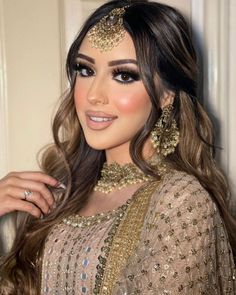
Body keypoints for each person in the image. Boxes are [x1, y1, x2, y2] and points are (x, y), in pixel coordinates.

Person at [0, 0, 235, 294]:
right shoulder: (62, 192)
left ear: (167, 94)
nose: (93, 95)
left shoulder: (180, 201)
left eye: (124, 75)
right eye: (85, 70)